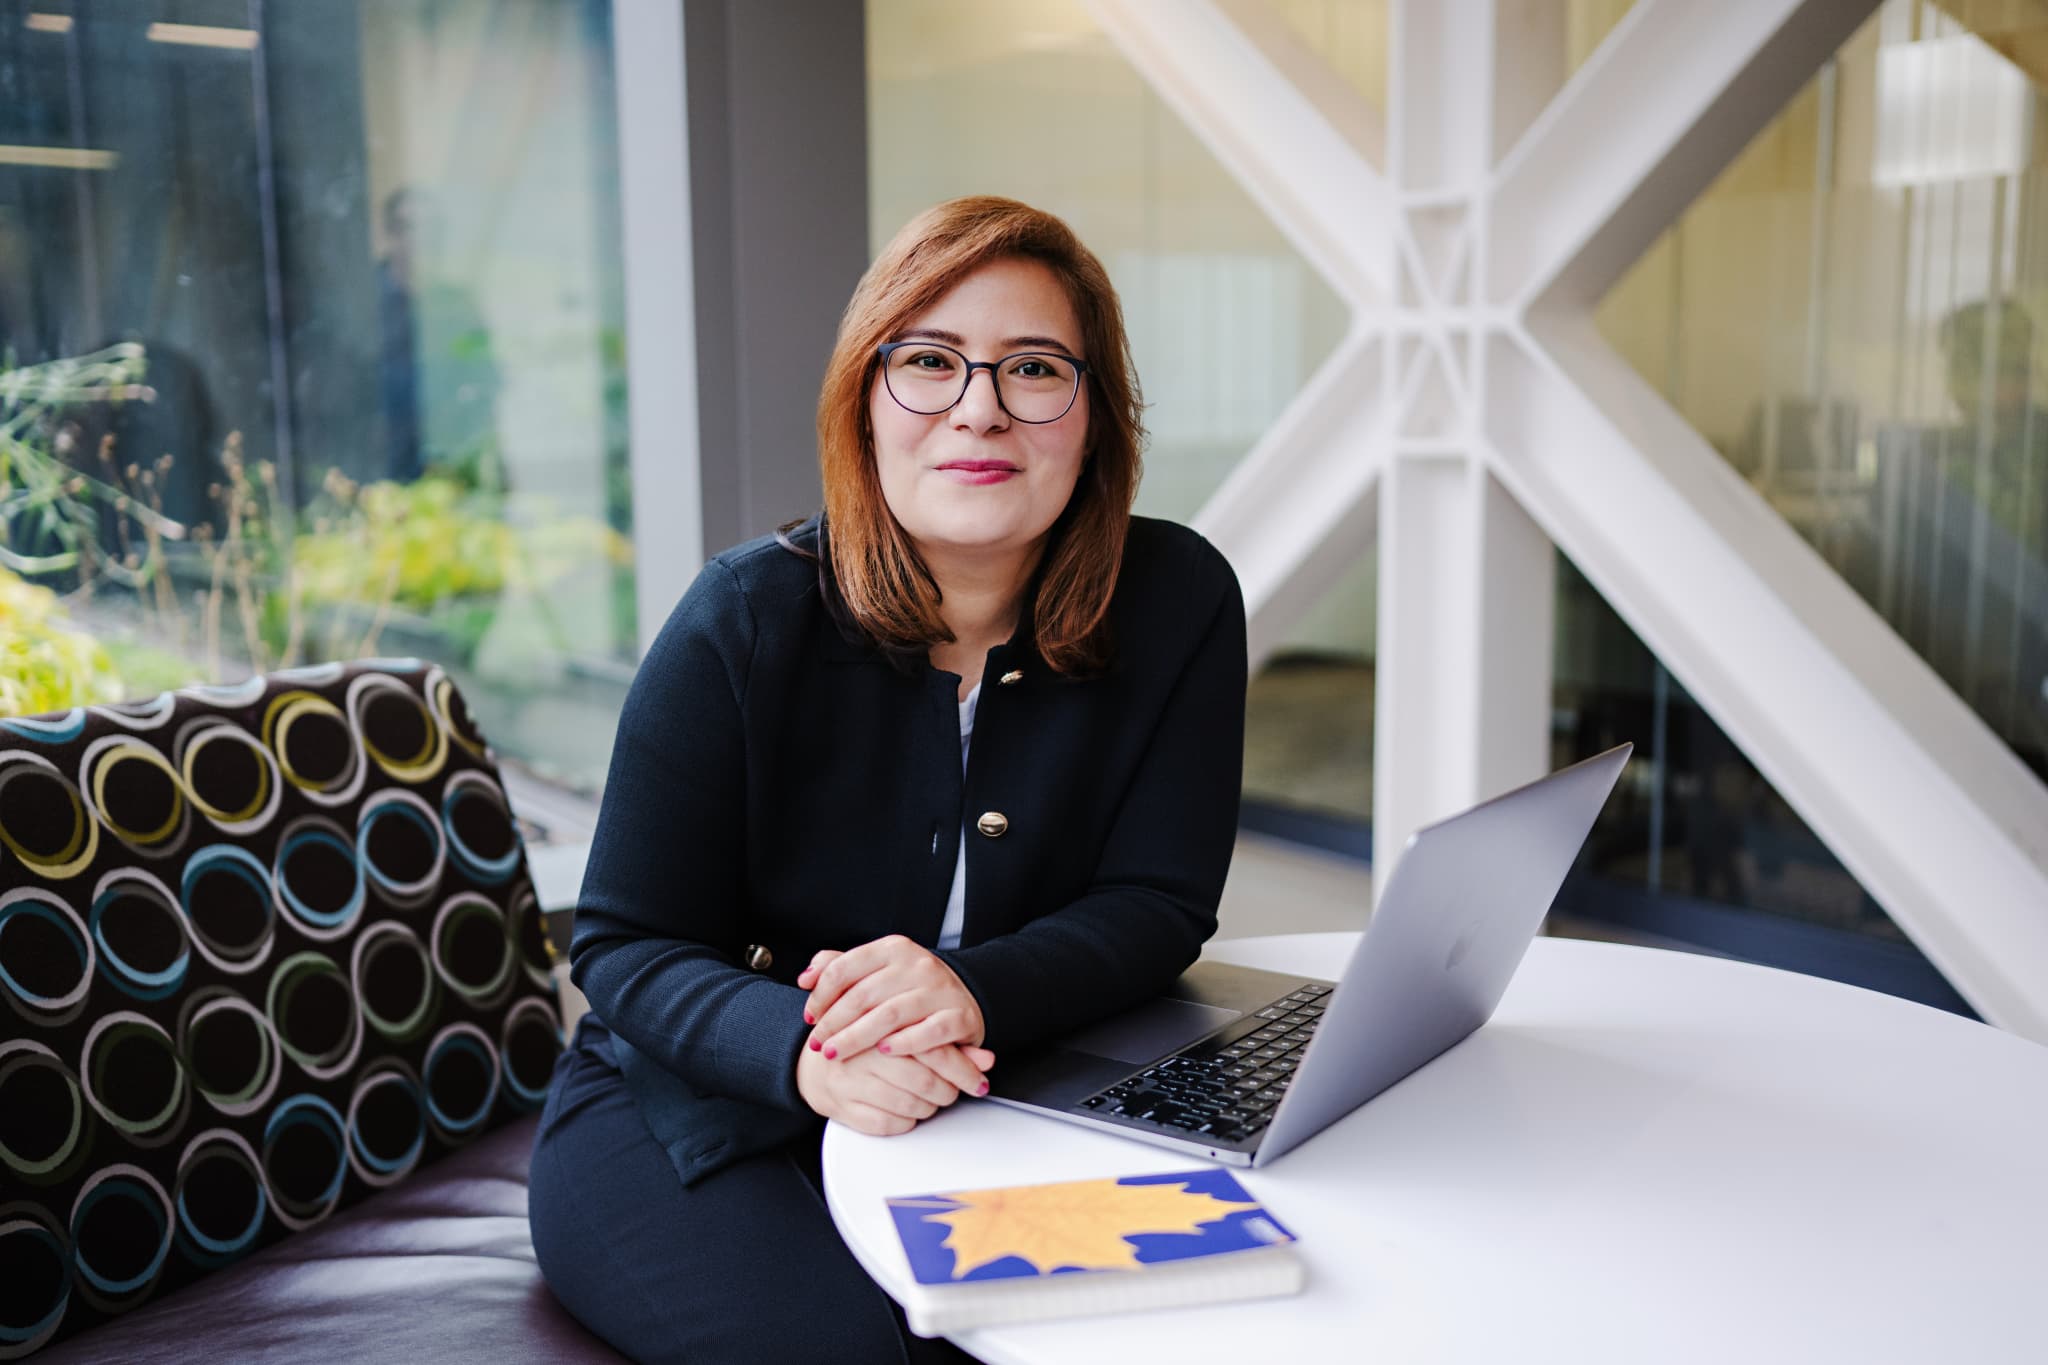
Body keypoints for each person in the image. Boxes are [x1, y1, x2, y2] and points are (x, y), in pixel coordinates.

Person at [526, 196, 1248, 1363]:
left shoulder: (1178, 601)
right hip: (700, 1115)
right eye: (928, 363)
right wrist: (803, 1057)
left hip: (1004, 1087)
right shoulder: (743, 618)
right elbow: (623, 946)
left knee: (1195, 1307)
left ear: (1096, 417)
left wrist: (973, 993)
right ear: (864, 403)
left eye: (1033, 369)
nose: (980, 409)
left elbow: (1159, 903)